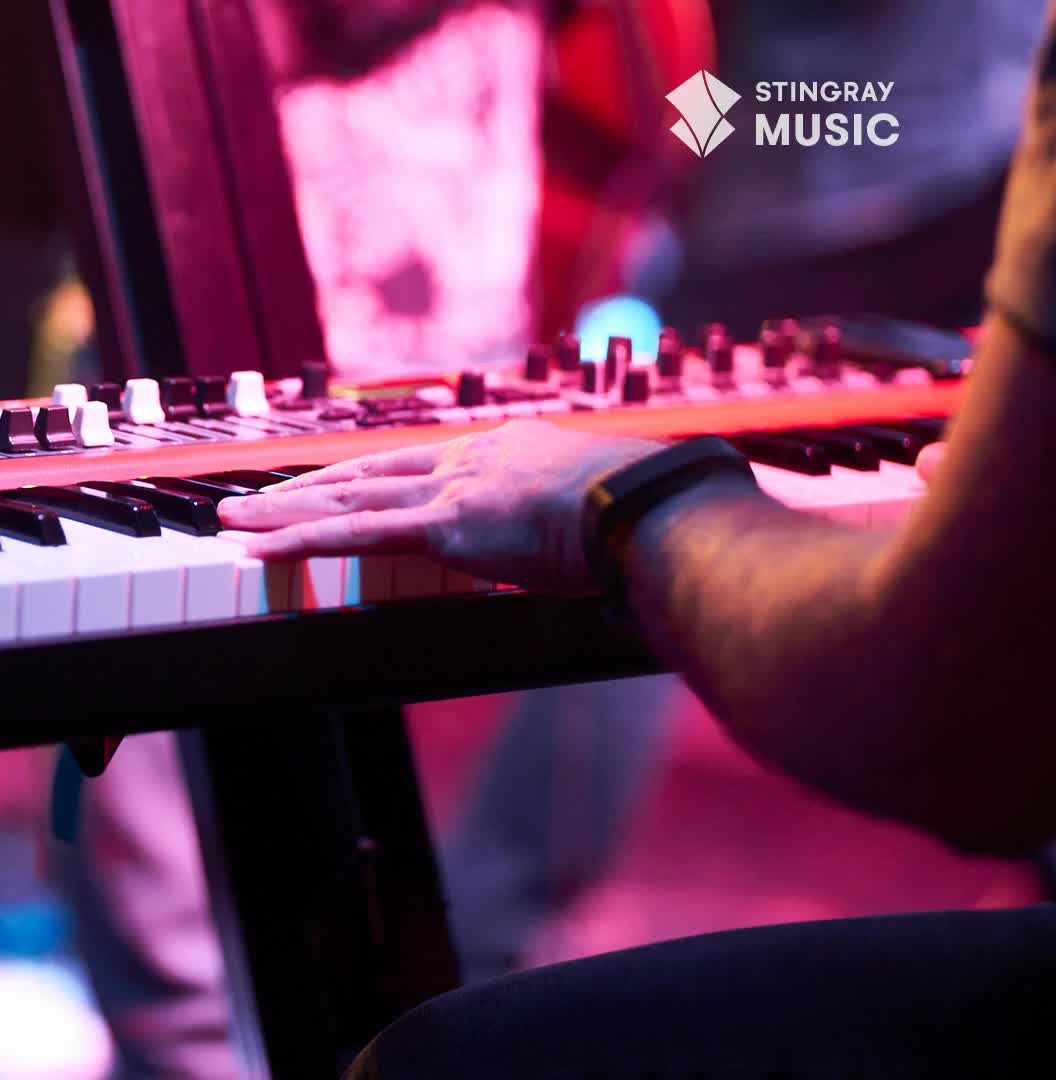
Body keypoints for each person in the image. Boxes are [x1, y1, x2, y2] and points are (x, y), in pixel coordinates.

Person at [211, 7, 1056, 1070]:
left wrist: (632, 500)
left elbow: (943, 723)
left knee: (634, 528)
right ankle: (491, 915)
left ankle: (490, 917)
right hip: (870, 171)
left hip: (901, 172)